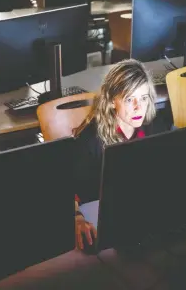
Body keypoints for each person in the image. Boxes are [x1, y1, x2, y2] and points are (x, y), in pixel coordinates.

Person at [72, 59, 169, 250]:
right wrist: (77, 218)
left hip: (141, 207)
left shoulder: (154, 126)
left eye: (143, 98)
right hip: (102, 213)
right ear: (111, 101)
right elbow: (68, 187)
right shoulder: (91, 139)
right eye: (128, 99)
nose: (138, 107)